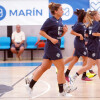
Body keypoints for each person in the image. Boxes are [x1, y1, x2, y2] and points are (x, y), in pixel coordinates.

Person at [25, 2, 77, 97]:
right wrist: (50, 39)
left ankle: (30, 85)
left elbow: (58, 36)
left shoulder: (60, 20)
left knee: (44, 67)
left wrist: (64, 32)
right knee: (61, 68)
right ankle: (62, 91)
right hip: (51, 47)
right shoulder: (50, 20)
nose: (63, 11)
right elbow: (41, 32)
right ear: (56, 11)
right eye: (61, 9)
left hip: (54, 46)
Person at [70, 10, 100, 84]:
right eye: (98, 14)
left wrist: (87, 41)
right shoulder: (96, 23)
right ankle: (74, 76)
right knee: (88, 66)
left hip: (94, 47)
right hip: (94, 47)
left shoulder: (90, 24)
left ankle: (74, 76)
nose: (99, 15)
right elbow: (94, 33)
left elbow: (86, 34)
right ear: (95, 16)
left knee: (98, 66)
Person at [64, 9, 92, 82]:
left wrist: (85, 37)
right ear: (83, 17)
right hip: (79, 43)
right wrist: (79, 34)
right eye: (86, 17)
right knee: (86, 59)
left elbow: (83, 33)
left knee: (75, 59)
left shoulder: (82, 24)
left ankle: (66, 74)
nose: (87, 18)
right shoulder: (79, 24)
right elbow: (72, 32)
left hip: (81, 43)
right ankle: (84, 75)